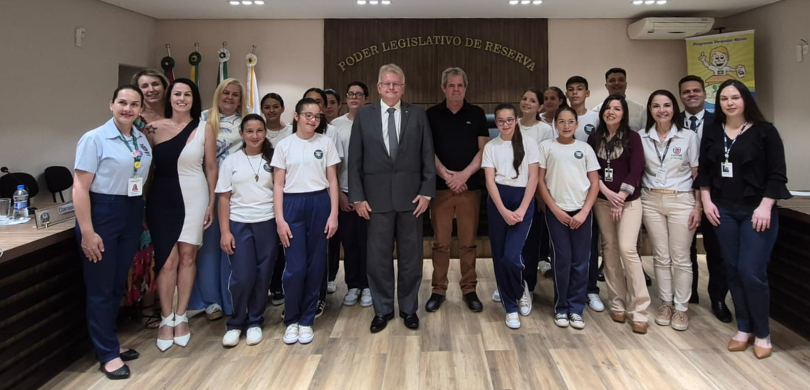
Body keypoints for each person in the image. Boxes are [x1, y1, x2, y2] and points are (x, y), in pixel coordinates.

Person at [697, 80, 790, 359]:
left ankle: (762, 333)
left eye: (735, 97)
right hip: (723, 211)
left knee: (751, 271)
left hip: (756, 211)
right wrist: (706, 201)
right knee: (733, 269)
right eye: (724, 98)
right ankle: (744, 328)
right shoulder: (713, 131)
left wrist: (766, 206)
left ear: (745, 100)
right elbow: (705, 170)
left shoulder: (765, 131)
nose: (730, 103)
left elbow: (777, 174)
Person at [348, 63, 436, 333]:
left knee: (411, 258)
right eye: (386, 83)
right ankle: (383, 310)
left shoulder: (417, 114)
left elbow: (427, 155)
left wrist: (427, 192)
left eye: (396, 83)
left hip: (412, 200)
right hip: (375, 201)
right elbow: (355, 159)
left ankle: (409, 309)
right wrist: (357, 197)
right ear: (378, 87)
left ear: (403, 87)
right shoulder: (364, 115)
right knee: (378, 259)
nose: (391, 87)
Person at [73, 85, 151, 379]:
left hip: (131, 210)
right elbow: (80, 187)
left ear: (141, 109)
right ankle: (106, 353)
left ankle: (110, 342)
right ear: (111, 104)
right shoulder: (95, 139)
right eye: (122, 102)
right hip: (103, 212)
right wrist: (87, 231)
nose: (127, 109)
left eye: (134, 104)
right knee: (101, 287)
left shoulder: (140, 139)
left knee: (118, 284)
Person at [144, 78, 218, 351]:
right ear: (169, 97)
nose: (182, 99)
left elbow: (211, 167)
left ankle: (182, 315)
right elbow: (146, 169)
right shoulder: (152, 128)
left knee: (188, 256)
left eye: (187, 94)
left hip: (195, 196)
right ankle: (166, 318)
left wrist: (211, 203)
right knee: (167, 261)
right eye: (177, 94)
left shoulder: (204, 128)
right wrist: (142, 202)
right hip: (161, 198)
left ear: (193, 99)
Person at [271, 98, 340, 345]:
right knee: (295, 267)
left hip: (319, 203)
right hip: (292, 205)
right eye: (308, 115)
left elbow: (333, 180)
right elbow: (278, 185)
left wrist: (333, 214)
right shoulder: (284, 145)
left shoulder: (326, 143)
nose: (313, 120)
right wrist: (280, 219)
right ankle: (291, 318)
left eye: (317, 116)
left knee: (316, 265)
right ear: (296, 116)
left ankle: (307, 319)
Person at [425, 67, 489, 313]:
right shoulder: (431, 115)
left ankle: (469, 289)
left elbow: (483, 150)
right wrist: (447, 175)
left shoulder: (477, 113)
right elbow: (427, 151)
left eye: (459, 85)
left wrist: (463, 175)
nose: (455, 89)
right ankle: (438, 290)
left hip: (469, 189)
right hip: (441, 189)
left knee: (468, 243)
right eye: (451, 85)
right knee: (440, 243)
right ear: (443, 88)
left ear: (465, 87)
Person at [588, 95, 650, 335]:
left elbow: (637, 169)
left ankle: (640, 310)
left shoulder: (633, 137)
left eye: (617, 108)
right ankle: (617, 303)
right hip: (602, 201)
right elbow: (592, 170)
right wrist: (606, 192)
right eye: (607, 108)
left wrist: (621, 197)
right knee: (610, 249)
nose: (611, 112)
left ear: (624, 113)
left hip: (629, 203)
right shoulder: (594, 138)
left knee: (627, 249)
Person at [639, 90, 700, 332]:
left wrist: (698, 206)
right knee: (661, 255)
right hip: (651, 199)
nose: (661, 110)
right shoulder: (642, 136)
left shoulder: (688, 137)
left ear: (674, 108)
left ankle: (682, 307)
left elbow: (697, 173)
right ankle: (666, 303)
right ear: (650, 110)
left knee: (681, 257)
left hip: (681, 200)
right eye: (656, 106)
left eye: (666, 105)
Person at [189, 78, 248, 322]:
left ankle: (233, 298)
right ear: (218, 95)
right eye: (226, 93)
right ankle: (210, 299)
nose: (230, 98)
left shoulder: (247, 120)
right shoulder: (203, 119)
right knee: (210, 247)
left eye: (235, 94)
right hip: (208, 190)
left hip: (239, 192)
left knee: (235, 247)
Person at [217, 114, 279, 347]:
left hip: (267, 223)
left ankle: (255, 321)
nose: (255, 136)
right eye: (249, 131)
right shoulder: (231, 161)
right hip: (239, 224)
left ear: (265, 133)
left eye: (259, 131)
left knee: (263, 275)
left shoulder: (274, 159)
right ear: (242, 134)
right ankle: (236, 323)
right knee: (242, 277)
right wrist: (225, 232)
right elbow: (224, 198)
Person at [537, 106, 600, 330]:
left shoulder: (585, 148)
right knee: (561, 259)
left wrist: (584, 212)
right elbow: (540, 181)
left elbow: (594, 183)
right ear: (555, 124)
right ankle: (561, 307)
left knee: (581, 261)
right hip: (557, 212)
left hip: (581, 212)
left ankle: (576, 308)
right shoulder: (546, 147)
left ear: (577, 124)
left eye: (570, 121)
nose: (566, 126)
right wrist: (554, 209)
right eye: (561, 122)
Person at [678, 75, 731, 323]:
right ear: (680, 95)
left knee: (715, 248)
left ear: (704, 93)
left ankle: (718, 298)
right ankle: (688, 294)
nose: (691, 94)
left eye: (696, 90)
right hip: (681, 192)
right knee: (683, 248)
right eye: (686, 91)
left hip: (714, 194)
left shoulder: (720, 121)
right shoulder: (672, 120)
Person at [483, 103, 539, 329]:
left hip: (523, 198)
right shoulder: (491, 146)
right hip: (499, 199)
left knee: (512, 256)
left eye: (509, 120)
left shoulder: (530, 143)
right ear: (495, 123)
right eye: (500, 121)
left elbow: (534, 178)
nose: (505, 124)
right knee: (499, 256)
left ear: (516, 120)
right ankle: (510, 307)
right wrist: (503, 210)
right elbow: (489, 181)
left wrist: (523, 209)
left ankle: (519, 288)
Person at [129, 69, 169, 326]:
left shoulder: (175, 115)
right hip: (139, 191)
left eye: (155, 84)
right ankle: (143, 307)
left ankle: (161, 305)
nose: (151, 89)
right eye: (145, 86)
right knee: (145, 250)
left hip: (167, 190)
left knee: (165, 251)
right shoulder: (133, 118)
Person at [567, 76, 607, 310]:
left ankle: (591, 289)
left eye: (579, 89)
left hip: (590, 188)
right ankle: (569, 289)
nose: (575, 93)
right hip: (564, 189)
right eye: (571, 89)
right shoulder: (561, 118)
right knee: (565, 248)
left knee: (589, 244)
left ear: (587, 93)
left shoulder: (596, 118)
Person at [332, 81, 373, 307]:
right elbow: (332, 166)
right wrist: (339, 194)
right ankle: (353, 285)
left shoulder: (373, 121)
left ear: (366, 98)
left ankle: (367, 285)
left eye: (359, 94)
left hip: (370, 193)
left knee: (368, 242)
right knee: (349, 242)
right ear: (346, 98)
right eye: (350, 94)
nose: (354, 97)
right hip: (345, 192)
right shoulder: (336, 126)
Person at [303, 87, 340, 316]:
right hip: (295, 201)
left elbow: (333, 175)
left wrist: (334, 208)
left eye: (319, 102)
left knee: (319, 253)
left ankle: (318, 296)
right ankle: (296, 299)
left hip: (322, 198)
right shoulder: (289, 138)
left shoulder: (328, 137)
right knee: (298, 257)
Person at [261, 92, 292, 306]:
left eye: (275, 106)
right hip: (261, 194)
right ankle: (263, 286)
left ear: (282, 108)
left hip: (286, 193)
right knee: (266, 245)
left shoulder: (290, 132)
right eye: (267, 107)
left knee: (282, 243)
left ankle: (278, 285)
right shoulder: (257, 130)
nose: (271, 110)